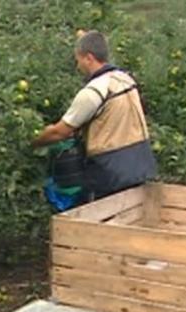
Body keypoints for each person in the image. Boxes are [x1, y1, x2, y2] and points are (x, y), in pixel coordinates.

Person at [31, 30, 157, 201]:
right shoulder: (126, 80)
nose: (78, 66)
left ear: (89, 58)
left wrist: (33, 141)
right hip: (141, 165)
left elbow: (60, 132)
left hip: (111, 173)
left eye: (79, 59)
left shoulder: (94, 91)